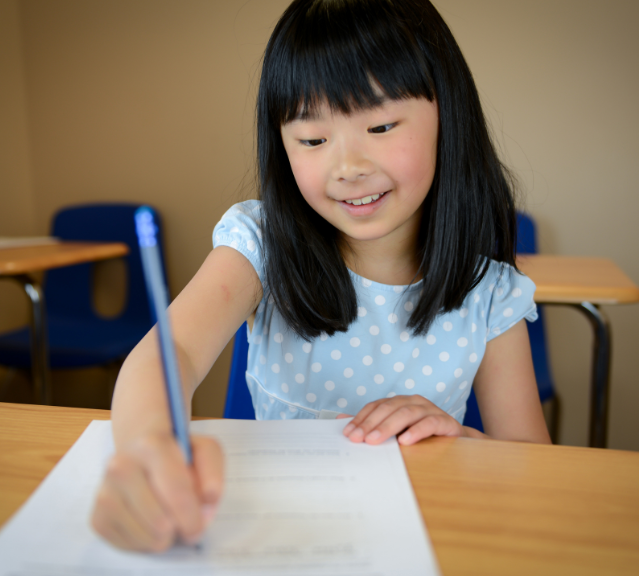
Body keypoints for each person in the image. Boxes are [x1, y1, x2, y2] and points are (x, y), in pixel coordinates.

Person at [91, 0, 551, 552]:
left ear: (447, 115)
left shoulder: (489, 292)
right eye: (312, 140)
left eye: (380, 126)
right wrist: (148, 445)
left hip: (424, 543)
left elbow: (533, 465)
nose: (347, 166)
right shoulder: (260, 245)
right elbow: (171, 355)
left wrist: (465, 440)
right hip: (282, 537)